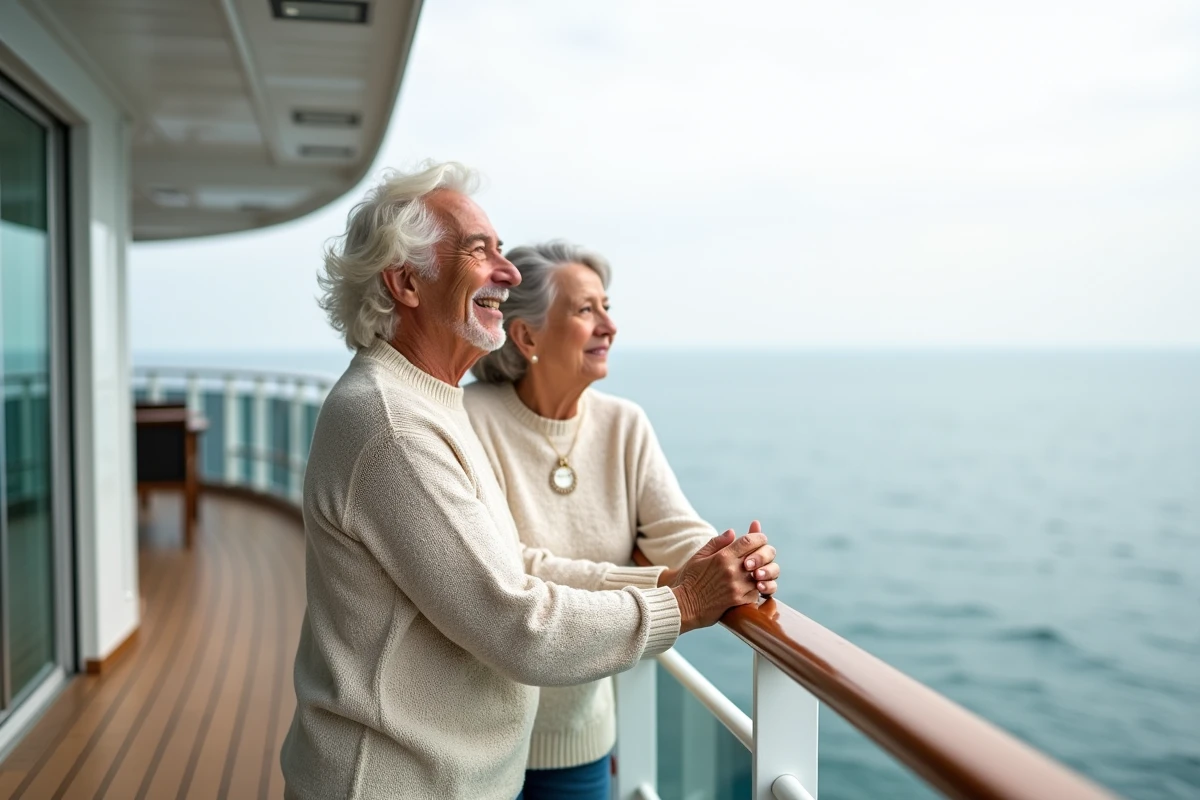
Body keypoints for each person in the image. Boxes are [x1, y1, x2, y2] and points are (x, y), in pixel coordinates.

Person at [279, 162, 781, 800]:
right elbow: (516, 623)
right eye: (479, 250)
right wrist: (682, 604)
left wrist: (688, 575)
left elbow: (507, 566)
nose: (508, 272)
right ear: (406, 282)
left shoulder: (431, 403)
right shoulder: (394, 425)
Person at [465, 241, 775, 799]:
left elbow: (675, 528)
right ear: (527, 336)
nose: (609, 326)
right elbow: (511, 567)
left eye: (606, 307)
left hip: (579, 737)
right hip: (477, 738)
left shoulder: (624, 424)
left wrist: (733, 561)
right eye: (586, 310)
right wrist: (670, 585)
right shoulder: (470, 417)